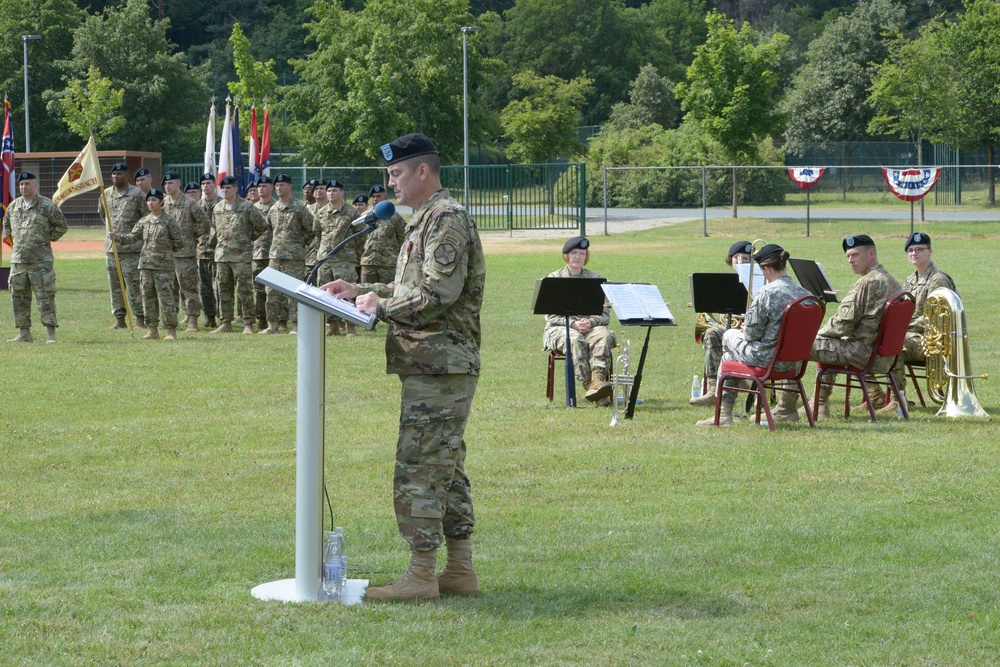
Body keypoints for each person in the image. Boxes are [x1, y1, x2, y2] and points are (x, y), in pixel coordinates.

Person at [322, 133, 485, 602]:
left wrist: (382, 306)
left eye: (395, 174)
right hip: (433, 363)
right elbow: (411, 285)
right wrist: (359, 289)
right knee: (446, 467)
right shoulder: (424, 221)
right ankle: (459, 570)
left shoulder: (446, 220)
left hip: (442, 363)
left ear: (421, 171)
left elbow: (436, 295)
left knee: (420, 468)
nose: (389, 183)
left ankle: (420, 576)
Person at [695, 244, 812, 426]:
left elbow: (750, 334)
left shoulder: (766, 293)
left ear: (765, 268)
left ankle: (724, 413)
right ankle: (726, 411)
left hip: (765, 360)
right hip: (793, 365)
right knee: (729, 355)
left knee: (729, 338)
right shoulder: (806, 294)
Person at [791, 235, 901, 418]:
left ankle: (787, 407)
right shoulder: (891, 280)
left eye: (856, 255)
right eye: (848, 256)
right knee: (827, 342)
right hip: (885, 357)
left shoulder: (866, 282)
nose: (851, 260)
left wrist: (816, 334)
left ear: (871, 254)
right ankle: (819, 403)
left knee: (797, 345)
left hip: (861, 354)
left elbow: (842, 325)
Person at [878, 232, 957, 413]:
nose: (914, 253)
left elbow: (936, 318)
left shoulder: (938, 280)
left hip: (933, 341)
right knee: (874, 336)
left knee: (895, 342)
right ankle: (875, 393)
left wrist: (900, 327)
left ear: (930, 251)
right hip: (913, 334)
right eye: (911, 250)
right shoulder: (910, 279)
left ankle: (899, 400)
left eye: (919, 249)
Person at [542, 236, 616, 406]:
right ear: (566, 255)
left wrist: (590, 322)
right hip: (559, 328)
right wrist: (572, 324)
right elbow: (550, 316)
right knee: (574, 340)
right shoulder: (554, 279)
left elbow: (605, 315)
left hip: (591, 326)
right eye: (573, 253)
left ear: (586, 256)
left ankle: (597, 380)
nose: (577, 257)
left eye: (581, 253)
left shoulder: (596, 280)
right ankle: (591, 388)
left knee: (603, 335)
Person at [109, 189, 184, 340]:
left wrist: (164, 253)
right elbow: (132, 237)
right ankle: (152, 329)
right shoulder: (144, 221)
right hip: (146, 265)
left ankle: (171, 331)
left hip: (163, 267)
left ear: (161, 202)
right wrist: (117, 237)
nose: (150, 203)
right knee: (148, 298)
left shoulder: (169, 221)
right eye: (148, 200)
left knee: (166, 299)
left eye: (154, 200)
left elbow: (179, 242)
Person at [2, 171, 68, 343]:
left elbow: (61, 226)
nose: (24, 187)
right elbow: (6, 228)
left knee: (45, 297)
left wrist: (46, 238)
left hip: (41, 261)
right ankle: (24, 333)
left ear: (35, 184)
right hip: (19, 262)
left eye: (27, 184)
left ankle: (50, 334)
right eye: (21, 185)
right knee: (18, 298)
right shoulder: (13, 207)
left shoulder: (47, 206)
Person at [690, 240, 753, 406]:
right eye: (736, 258)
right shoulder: (723, 283)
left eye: (746, 259)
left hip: (751, 331)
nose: (740, 262)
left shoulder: (759, 282)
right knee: (711, 333)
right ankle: (713, 390)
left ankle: (745, 380)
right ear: (730, 260)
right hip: (732, 328)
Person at [209, 176, 268, 334]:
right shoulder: (217, 208)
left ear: (236, 189)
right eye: (223, 188)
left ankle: (248, 323)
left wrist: (247, 239)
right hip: (222, 256)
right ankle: (226, 322)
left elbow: (262, 225)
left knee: (245, 290)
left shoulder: (247, 206)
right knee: (223, 289)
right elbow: (215, 228)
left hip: (241, 256)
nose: (225, 190)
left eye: (228, 188)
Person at [260, 174, 314, 335]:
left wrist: (299, 244)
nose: (279, 188)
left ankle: (296, 325)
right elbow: (269, 230)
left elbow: (311, 229)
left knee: (294, 292)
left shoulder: (299, 208)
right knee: (271, 291)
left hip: (294, 257)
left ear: (290, 186)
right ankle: (273, 324)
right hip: (275, 256)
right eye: (276, 186)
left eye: (282, 185)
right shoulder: (273, 209)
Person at [162, 171, 209, 332]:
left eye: (171, 183)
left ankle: (193, 320)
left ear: (178, 184)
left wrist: (191, 235)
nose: (168, 186)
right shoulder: (163, 203)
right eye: (166, 184)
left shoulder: (189, 203)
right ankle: (171, 319)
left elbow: (204, 223)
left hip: (185, 254)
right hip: (167, 254)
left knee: (188, 288)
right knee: (169, 288)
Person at [102, 162, 147, 329]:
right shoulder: (105, 193)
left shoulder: (137, 195)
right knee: (115, 286)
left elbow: (145, 218)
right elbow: (103, 214)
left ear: (127, 175)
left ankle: (140, 319)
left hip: (131, 249)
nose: (115, 176)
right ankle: (119, 319)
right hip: (111, 249)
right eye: (113, 174)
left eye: (119, 174)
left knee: (134, 285)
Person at [313, 178, 360, 336]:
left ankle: (350, 326)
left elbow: (361, 235)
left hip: (344, 260)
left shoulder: (351, 212)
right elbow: (317, 233)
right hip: (325, 260)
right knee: (326, 294)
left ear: (342, 192)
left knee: (347, 294)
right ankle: (332, 326)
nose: (331, 193)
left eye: (334, 190)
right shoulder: (320, 212)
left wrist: (351, 251)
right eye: (329, 191)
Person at [359, 184, 407, 283]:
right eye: (373, 197)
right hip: (368, 263)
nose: (375, 199)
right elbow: (358, 240)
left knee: (388, 294)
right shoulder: (364, 217)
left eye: (378, 196)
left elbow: (403, 238)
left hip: (388, 264)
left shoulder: (394, 217)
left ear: (385, 197)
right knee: (366, 294)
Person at [197, 173, 221, 329]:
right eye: (203, 184)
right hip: (201, 251)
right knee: (203, 288)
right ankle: (209, 316)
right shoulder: (196, 205)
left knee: (218, 287)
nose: (206, 186)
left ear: (215, 185)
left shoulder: (222, 204)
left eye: (209, 183)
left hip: (219, 253)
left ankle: (223, 318)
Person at [252, 176, 276, 330]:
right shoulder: (251, 207)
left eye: (265, 186)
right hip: (256, 253)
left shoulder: (276, 206)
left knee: (274, 290)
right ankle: (261, 320)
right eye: (259, 186)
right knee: (258, 289)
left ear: (271, 188)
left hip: (273, 254)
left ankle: (278, 320)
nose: (261, 189)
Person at [305, 180, 328, 279]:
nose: (319, 191)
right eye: (316, 189)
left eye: (322, 188)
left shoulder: (333, 209)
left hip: (328, 258)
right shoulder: (306, 211)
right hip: (310, 257)